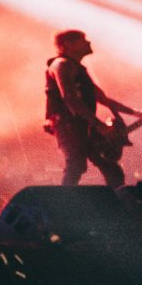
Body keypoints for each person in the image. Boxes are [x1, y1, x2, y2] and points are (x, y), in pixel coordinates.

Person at [44, 30, 139, 188]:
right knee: (76, 165)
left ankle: (114, 208)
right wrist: (99, 125)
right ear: (68, 44)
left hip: (85, 126)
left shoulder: (77, 68)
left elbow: (103, 99)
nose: (88, 43)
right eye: (83, 40)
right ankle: (61, 207)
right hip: (68, 125)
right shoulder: (62, 65)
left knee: (112, 170)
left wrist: (135, 113)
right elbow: (70, 98)